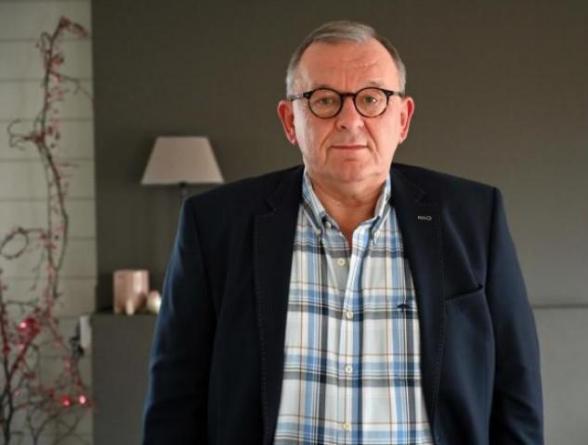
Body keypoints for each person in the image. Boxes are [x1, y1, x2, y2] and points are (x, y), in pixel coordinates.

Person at [143, 20, 543, 445]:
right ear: (290, 121)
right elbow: (175, 401)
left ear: (403, 118)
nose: (350, 120)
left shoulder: (474, 217)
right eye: (324, 100)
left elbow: (515, 389)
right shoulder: (214, 225)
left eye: (371, 99)